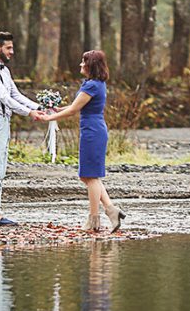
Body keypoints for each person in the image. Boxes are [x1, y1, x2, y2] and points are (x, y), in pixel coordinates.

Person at [35, 50, 125, 232]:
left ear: (91, 65)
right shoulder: (95, 84)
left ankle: (94, 219)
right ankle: (111, 210)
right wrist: (58, 109)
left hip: (92, 132)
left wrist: (48, 118)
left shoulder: (91, 85)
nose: (80, 65)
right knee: (88, 176)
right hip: (93, 130)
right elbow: (77, 106)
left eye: (83, 62)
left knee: (90, 176)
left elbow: (73, 111)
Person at [0, 31, 40, 225]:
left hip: (4, 122)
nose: (12, 51)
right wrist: (29, 113)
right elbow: (5, 99)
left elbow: (16, 94)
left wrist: (39, 107)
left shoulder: (4, 70)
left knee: (1, 168)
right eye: (8, 48)